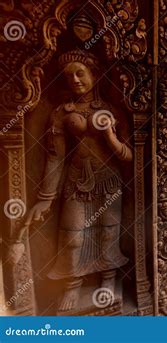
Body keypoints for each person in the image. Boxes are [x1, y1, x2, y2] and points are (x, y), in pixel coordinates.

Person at [25, 49, 131, 312]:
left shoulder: (112, 110)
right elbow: (55, 157)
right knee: (72, 236)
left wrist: (110, 136)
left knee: (108, 233)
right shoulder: (61, 113)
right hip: (76, 180)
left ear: (94, 74)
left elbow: (128, 156)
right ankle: (72, 284)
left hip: (108, 180)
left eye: (80, 73)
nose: (74, 79)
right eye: (68, 76)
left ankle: (108, 280)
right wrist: (45, 199)